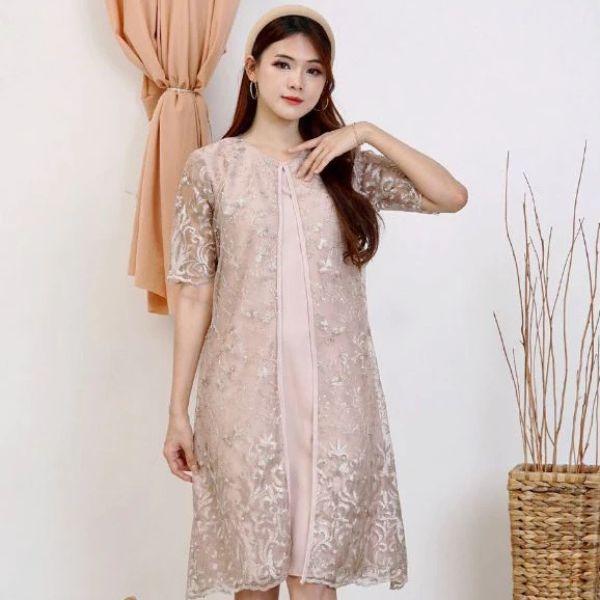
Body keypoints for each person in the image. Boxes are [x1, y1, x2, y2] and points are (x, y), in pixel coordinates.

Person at [163, 5, 468, 600]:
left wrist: (366, 132)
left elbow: (450, 196)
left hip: (337, 402)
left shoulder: (342, 167)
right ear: (251, 70)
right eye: (282, 64)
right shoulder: (212, 169)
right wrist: (178, 410)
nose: (296, 82)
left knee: (316, 583)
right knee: (253, 582)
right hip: (242, 401)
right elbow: (194, 292)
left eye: (313, 70)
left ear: (327, 82)